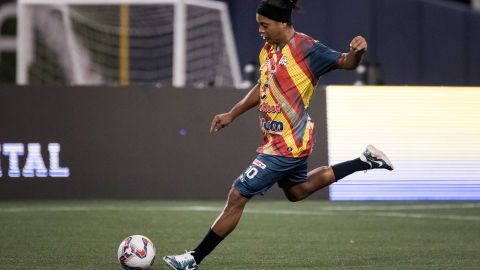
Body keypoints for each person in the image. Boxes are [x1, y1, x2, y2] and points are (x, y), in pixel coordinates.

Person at [163, 0, 394, 269]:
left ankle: (193, 258)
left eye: (265, 25)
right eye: (258, 24)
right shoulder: (268, 50)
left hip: (288, 144)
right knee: (297, 191)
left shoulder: (307, 48)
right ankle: (365, 161)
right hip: (282, 140)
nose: (260, 30)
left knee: (237, 195)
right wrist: (232, 113)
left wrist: (358, 53)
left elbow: (346, 62)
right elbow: (264, 85)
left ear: (283, 22)